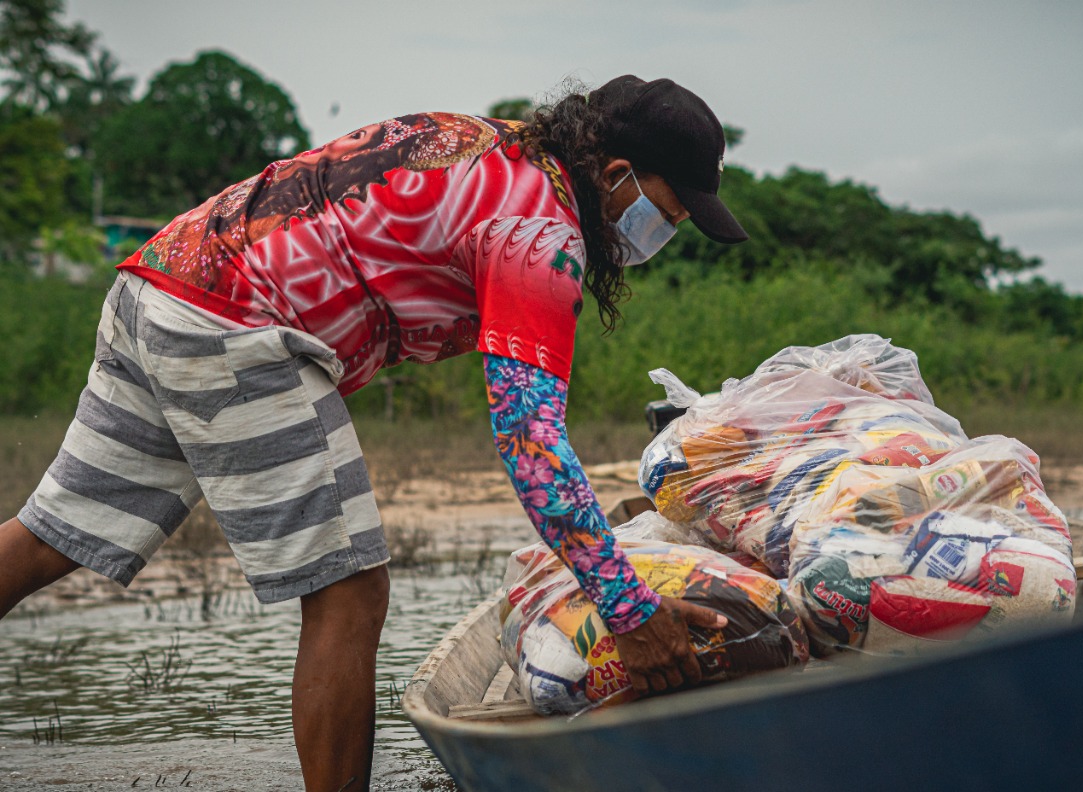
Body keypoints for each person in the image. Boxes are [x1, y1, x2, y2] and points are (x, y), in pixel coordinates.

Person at [0, 74, 747, 791]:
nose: (662, 235)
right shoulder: (538, 234)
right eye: (667, 214)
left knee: (53, 535)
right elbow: (532, 447)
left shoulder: (491, 144)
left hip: (160, 279)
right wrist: (630, 612)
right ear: (616, 173)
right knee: (350, 594)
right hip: (233, 322)